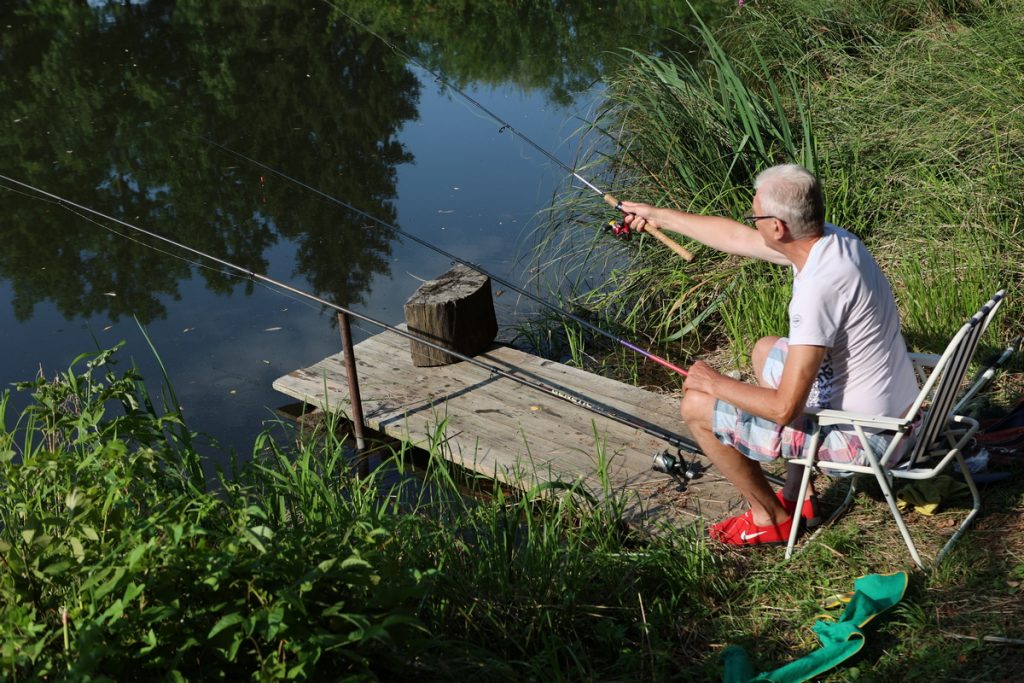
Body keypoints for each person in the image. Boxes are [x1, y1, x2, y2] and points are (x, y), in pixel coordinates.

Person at [621, 164, 918, 546]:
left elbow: (784, 409)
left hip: (867, 439)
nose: (752, 222)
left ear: (778, 227)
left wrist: (713, 382)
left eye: (755, 215)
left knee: (696, 405)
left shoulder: (816, 291)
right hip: (896, 412)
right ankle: (799, 497)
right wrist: (658, 216)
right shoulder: (835, 242)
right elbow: (734, 236)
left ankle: (770, 519)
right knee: (765, 349)